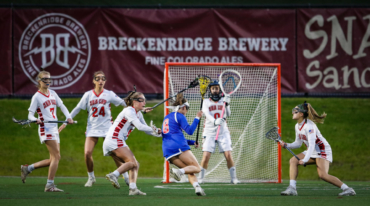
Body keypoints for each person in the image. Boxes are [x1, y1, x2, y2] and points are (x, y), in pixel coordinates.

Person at [58, 71, 130, 187]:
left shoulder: (109, 94)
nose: (100, 81)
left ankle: (125, 176)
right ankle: (91, 177)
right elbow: (77, 108)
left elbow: (123, 103)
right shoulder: (88, 95)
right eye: (98, 78)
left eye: (103, 78)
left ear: (105, 81)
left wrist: (134, 103)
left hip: (108, 129)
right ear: (94, 80)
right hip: (92, 129)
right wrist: (67, 121)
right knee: (87, 153)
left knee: (115, 154)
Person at [280, 102, 356, 196]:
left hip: (322, 150)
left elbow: (312, 145)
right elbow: (298, 143)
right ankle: (292, 188)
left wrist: (305, 160)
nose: (292, 113)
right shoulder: (297, 126)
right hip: (312, 150)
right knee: (293, 161)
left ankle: (348, 189)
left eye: (295, 111)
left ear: (301, 114)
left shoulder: (310, 126)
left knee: (323, 175)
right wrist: (287, 145)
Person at [21, 71, 74, 192]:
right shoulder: (37, 97)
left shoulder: (53, 93)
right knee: (57, 156)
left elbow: (62, 106)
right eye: (45, 79)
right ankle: (49, 185)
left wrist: (68, 117)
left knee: (53, 159)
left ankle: (27, 168)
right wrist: (36, 119)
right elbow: (30, 115)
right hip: (45, 129)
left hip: (54, 128)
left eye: (49, 79)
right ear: (39, 81)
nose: (47, 81)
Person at [103, 90, 161, 196]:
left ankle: (133, 189)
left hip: (115, 140)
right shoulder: (129, 110)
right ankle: (113, 175)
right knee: (132, 162)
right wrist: (154, 129)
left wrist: (160, 134)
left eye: (145, 100)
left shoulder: (138, 114)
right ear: (134, 101)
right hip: (114, 139)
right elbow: (139, 127)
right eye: (141, 100)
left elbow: (146, 130)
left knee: (135, 164)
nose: (144, 103)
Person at [162, 93, 205, 196]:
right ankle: (178, 171)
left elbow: (173, 135)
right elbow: (190, 131)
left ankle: (197, 188)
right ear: (184, 107)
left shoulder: (167, 117)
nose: (186, 112)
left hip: (167, 150)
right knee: (197, 168)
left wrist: (191, 142)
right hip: (179, 146)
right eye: (187, 110)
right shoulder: (180, 116)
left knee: (190, 170)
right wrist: (197, 118)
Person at [198, 80, 239, 184]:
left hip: (223, 132)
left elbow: (228, 114)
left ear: (220, 89)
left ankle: (234, 178)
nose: (215, 90)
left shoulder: (224, 101)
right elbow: (206, 114)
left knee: (228, 155)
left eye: (217, 88)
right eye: (213, 88)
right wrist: (215, 121)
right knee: (206, 156)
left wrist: (228, 104)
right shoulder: (206, 101)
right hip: (209, 132)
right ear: (210, 90)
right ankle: (201, 178)